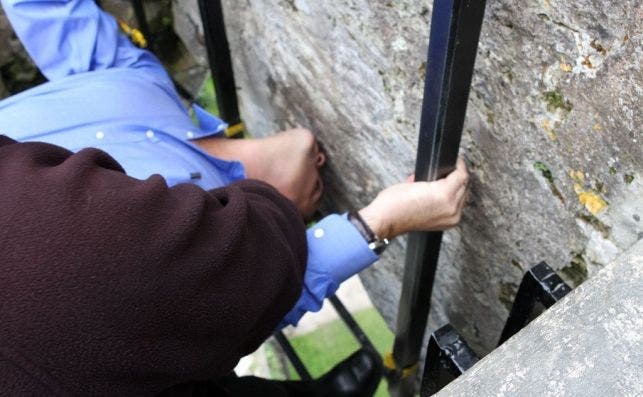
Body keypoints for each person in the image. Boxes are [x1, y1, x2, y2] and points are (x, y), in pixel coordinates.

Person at [0, 0, 469, 395]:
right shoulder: (131, 266)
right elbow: (227, 302)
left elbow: (66, 30)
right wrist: (377, 224)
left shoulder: (109, 94)